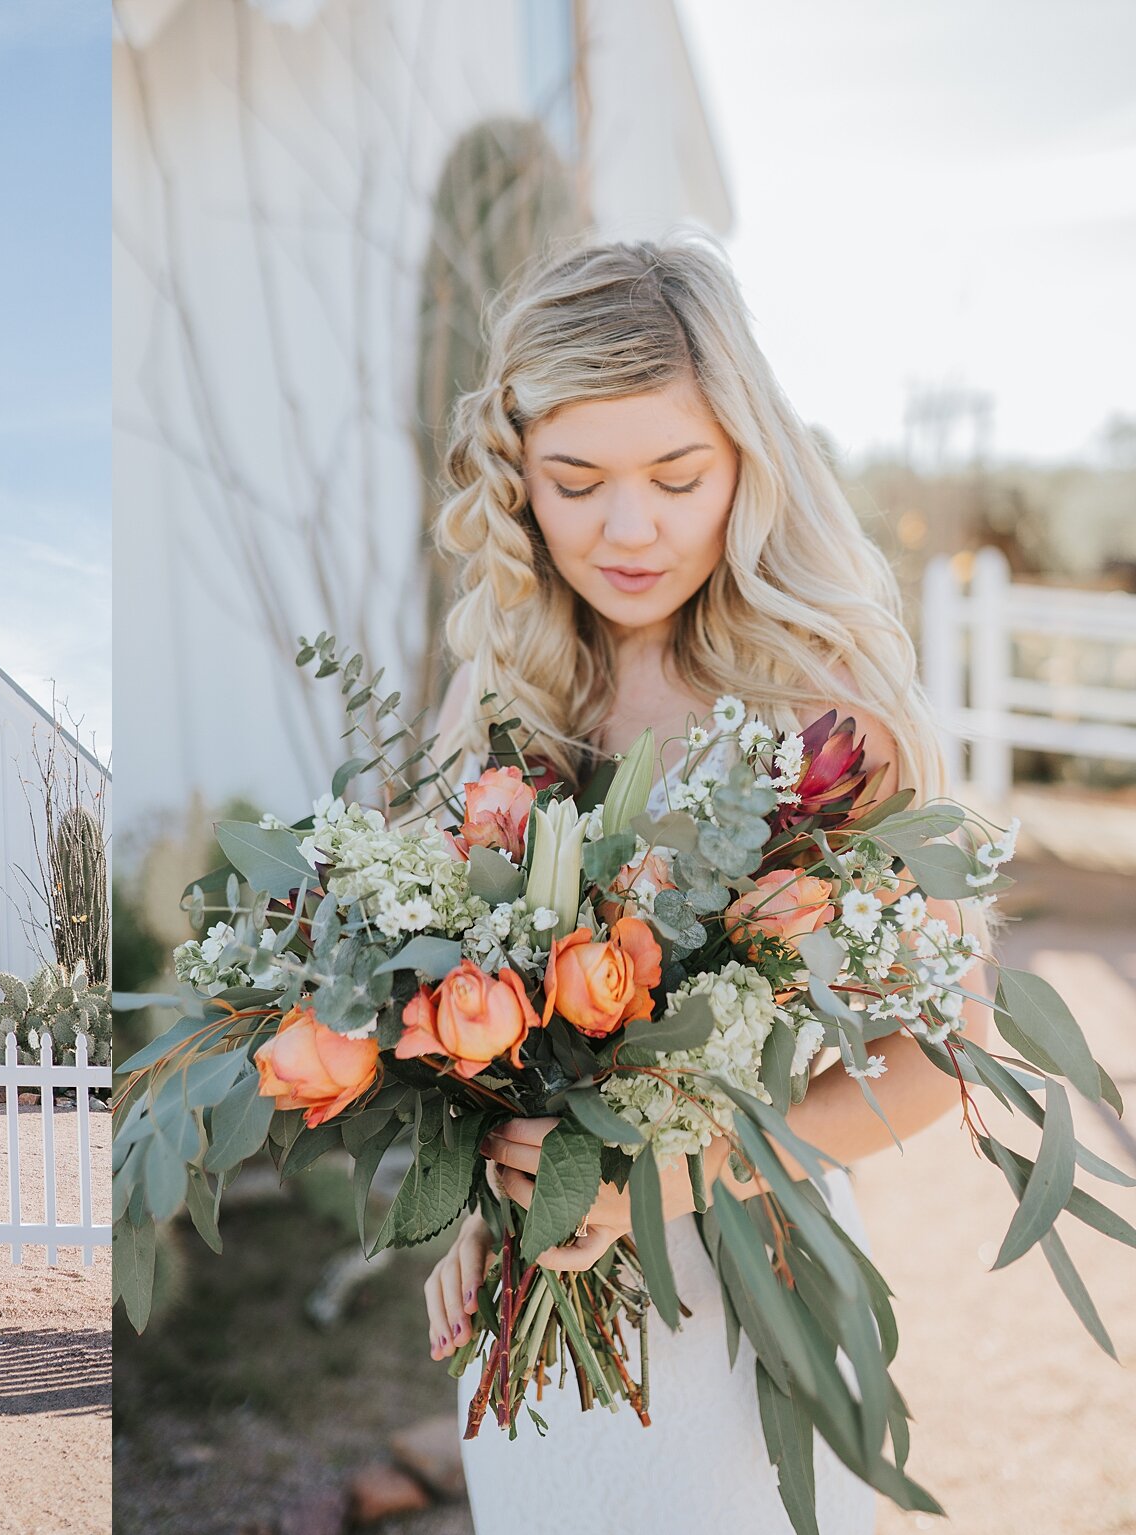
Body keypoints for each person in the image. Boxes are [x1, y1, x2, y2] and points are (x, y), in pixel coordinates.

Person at [419, 237, 992, 1534]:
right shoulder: (496, 694)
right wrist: (467, 1191)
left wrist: (672, 1178)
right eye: (576, 481)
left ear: (747, 458)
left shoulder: (827, 709)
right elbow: (461, 1007)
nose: (632, 528)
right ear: (517, 481)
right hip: (541, 1336)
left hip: (751, 1308)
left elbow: (943, 1055)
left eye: (679, 476)